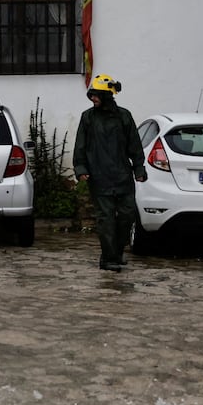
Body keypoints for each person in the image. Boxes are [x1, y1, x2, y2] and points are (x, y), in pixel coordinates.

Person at [73, 73, 147, 272]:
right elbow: (80, 146)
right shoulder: (87, 117)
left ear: (106, 95)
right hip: (99, 178)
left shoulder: (124, 116)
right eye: (91, 95)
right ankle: (108, 259)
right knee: (105, 219)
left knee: (127, 216)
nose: (93, 99)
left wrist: (139, 168)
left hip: (123, 177)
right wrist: (81, 169)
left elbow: (135, 146)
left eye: (96, 95)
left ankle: (116, 252)